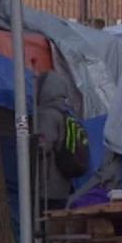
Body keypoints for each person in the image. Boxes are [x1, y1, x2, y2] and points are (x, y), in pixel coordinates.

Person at [37, 71, 78, 213]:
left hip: (47, 185)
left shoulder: (46, 114)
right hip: (63, 184)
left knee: (44, 226)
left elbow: (44, 145)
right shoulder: (67, 113)